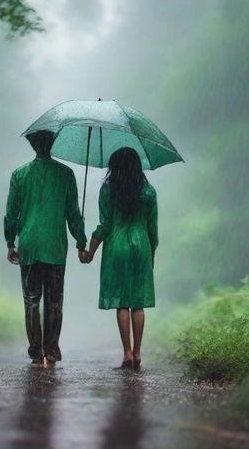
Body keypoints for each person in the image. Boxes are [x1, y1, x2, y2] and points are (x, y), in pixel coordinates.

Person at [5, 129, 88, 367]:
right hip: (54, 247)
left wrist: (11, 243)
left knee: (31, 300)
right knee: (54, 301)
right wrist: (81, 243)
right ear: (52, 145)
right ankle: (50, 351)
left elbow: (11, 214)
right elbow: (73, 214)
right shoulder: (66, 174)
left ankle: (35, 351)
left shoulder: (19, 175)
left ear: (33, 146)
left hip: (29, 246)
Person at [87, 147, 158, 370]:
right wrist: (151, 253)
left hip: (117, 248)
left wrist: (90, 250)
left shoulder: (108, 191)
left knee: (122, 302)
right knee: (138, 304)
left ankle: (126, 352)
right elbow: (152, 229)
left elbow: (105, 225)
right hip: (141, 247)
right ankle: (138, 352)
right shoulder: (148, 192)